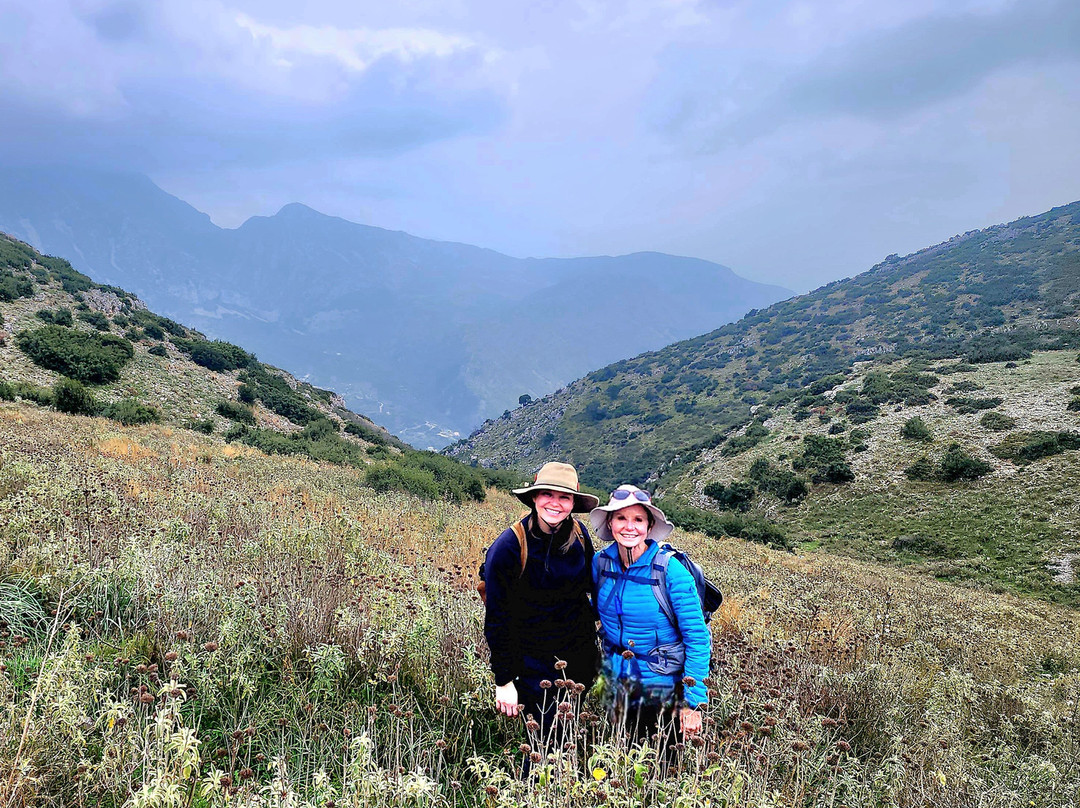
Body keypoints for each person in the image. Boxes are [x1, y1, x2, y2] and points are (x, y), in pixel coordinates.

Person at [483, 461, 601, 753]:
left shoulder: (580, 535)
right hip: (533, 665)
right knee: (542, 744)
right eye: (547, 494)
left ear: (573, 502)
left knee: (566, 734)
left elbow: (593, 589)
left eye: (564, 497)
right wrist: (503, 680)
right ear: (534, 497)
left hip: (579, 659)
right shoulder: (509, 546)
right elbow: (497, 618)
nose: (555, 503)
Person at [590, 485, 710, 747]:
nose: (629, 527)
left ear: (649, 525)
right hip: (617, 683)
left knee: (662, 769)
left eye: (638, 519)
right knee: (621, 758)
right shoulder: (600, 564)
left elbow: (698, 638)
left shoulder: (670, 571)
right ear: (610, 524)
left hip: (663, 689)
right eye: (621, 518)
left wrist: (693, 703)